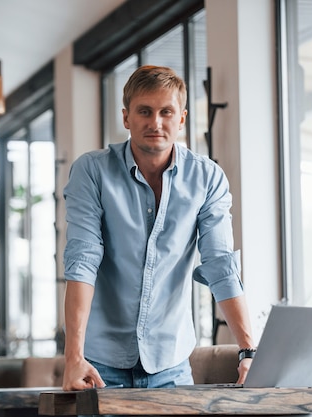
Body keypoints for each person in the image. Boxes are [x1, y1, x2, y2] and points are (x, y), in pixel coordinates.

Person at [62, 65, 256, 390]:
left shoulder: (207, 179)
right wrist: (73, 358)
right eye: (144, 111)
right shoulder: (92, 172)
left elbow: (220, 265)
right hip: (99, 366)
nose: (155, 122)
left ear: (181, 119)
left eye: (166, 112)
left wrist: (248, 350)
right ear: (126, 118)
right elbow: (82, 261)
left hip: (172, 366)